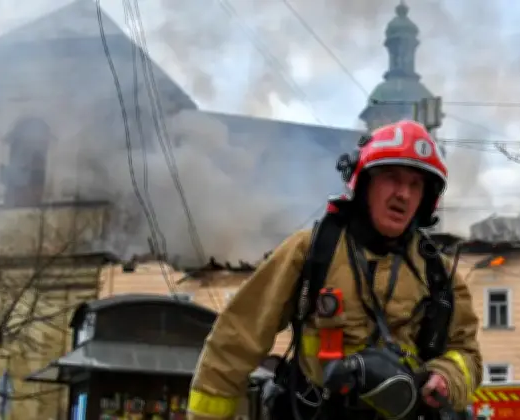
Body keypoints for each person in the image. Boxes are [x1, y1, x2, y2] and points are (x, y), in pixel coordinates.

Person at [187, 119, 482, 420]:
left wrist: (447, 377)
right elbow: (235, 341)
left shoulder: (438, 274)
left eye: (415, 184)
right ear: (365, 182)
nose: (403, 194)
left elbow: (467, 355)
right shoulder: (312, 250)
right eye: (392, 177)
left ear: (425, 198)